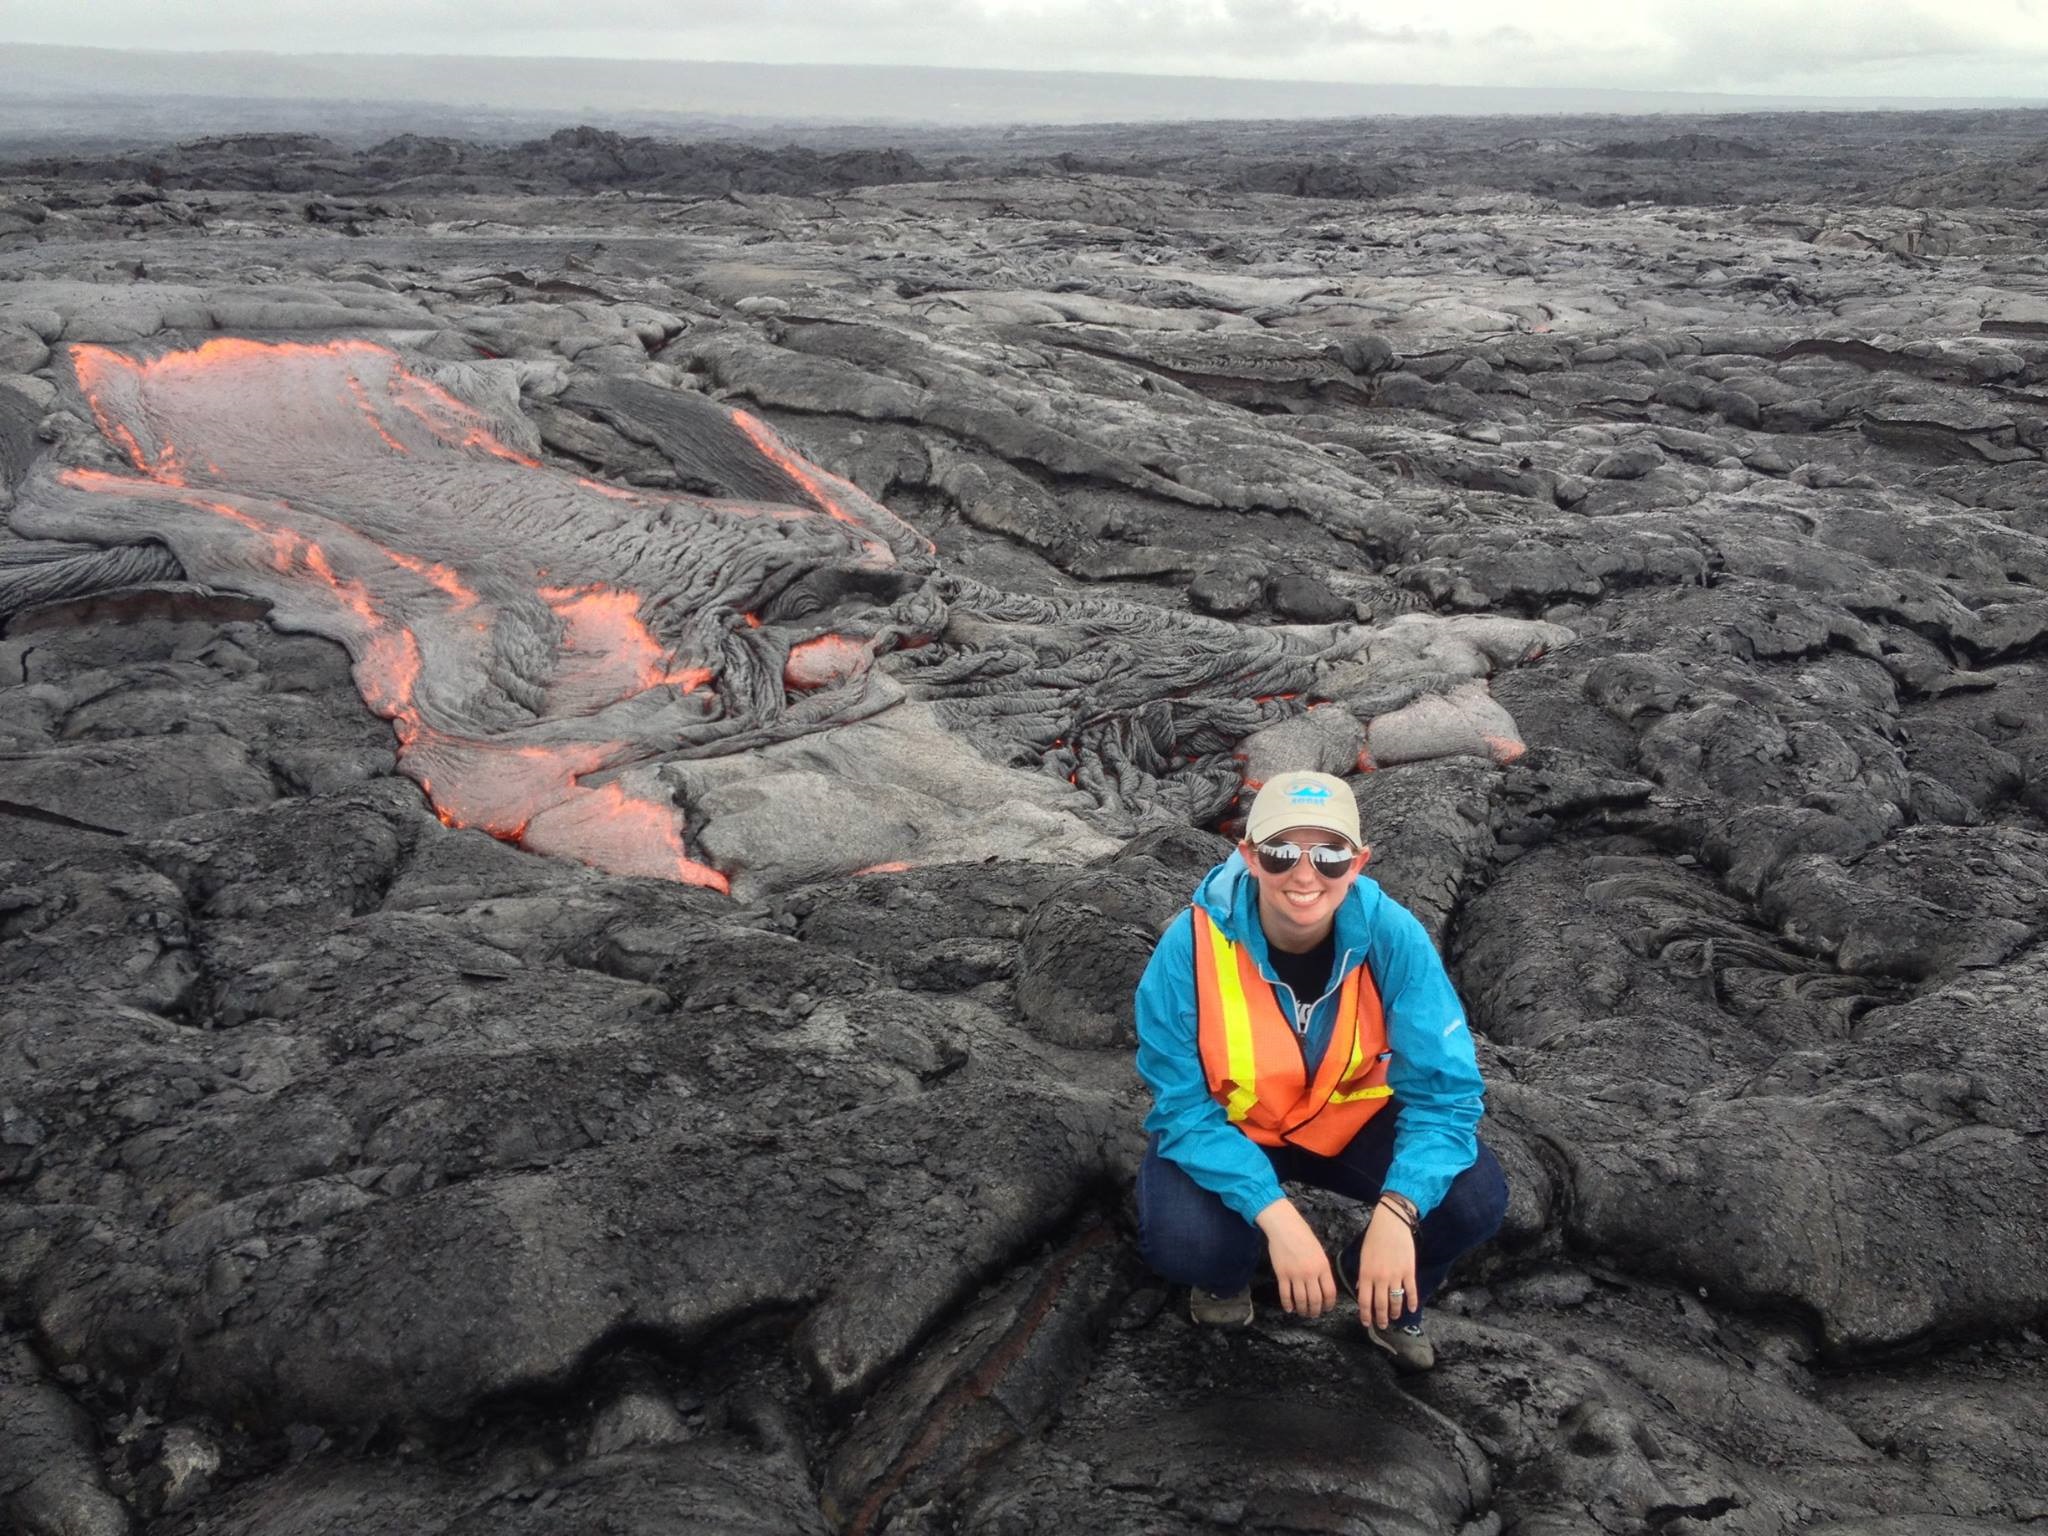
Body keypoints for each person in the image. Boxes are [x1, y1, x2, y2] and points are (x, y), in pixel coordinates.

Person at [1133, 770, 1507, 1371]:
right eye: (1282, 851)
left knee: (1474, 1200)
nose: (1305, 875)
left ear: (1358, 863)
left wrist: (1399, 1212)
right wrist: (1275, 1214)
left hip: (1346, 1122)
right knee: (1188, 1245)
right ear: (1248, 856)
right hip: (1231, 1130)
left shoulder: (1395, 938)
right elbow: (1179, 1106)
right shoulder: (1190, 947)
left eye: (1330, 854)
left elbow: (1446, 1094)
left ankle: (1377, 1281)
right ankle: (1228, 1278)